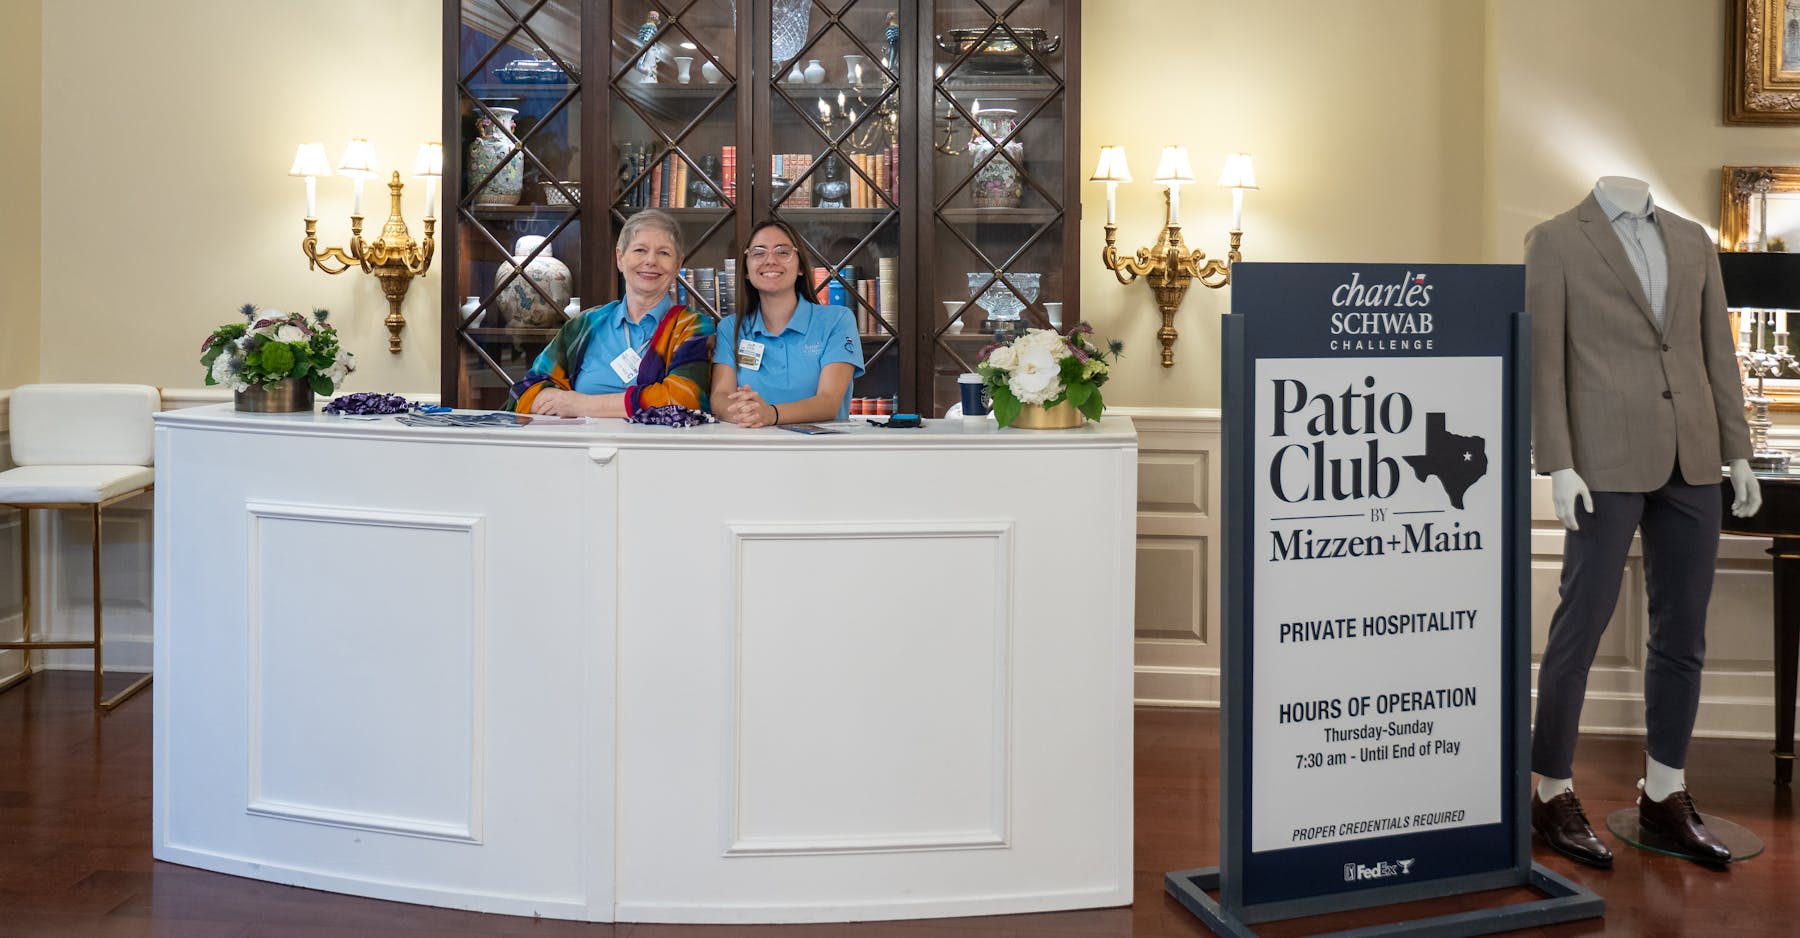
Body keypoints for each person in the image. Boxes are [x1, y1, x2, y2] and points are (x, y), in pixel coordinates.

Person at [1526, 175, 1761, 869]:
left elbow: (1715, 352)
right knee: (1582, 625)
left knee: (1683, 631)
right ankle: (1550, 793)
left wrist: (1737, 453)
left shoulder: (1693, 241)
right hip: (1601, 460)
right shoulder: (1557, 241)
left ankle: (1664, 793)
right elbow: (1546, 363)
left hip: (1694, 459)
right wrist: (1558, 462)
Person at [505, 209, 714, 417]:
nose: (651, 261)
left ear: (678, 265)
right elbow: (526, 391)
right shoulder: (584, 325)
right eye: (640, 250)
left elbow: (684, 398)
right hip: (581, 446)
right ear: (620, 258)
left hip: (655, 449)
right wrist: (548, 399)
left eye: (664, 253)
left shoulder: (693, 327)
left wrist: (580, 405)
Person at [711, 219, 864, 426]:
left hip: (823, 452)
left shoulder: (837, 320)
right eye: (758, 252)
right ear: (746, 270)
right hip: (752, 450)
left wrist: (770, 414)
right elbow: (720, 396)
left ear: (801, 267)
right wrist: (742, 412)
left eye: (782, 252)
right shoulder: (730, 328)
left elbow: (829, 402)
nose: (770, 260)